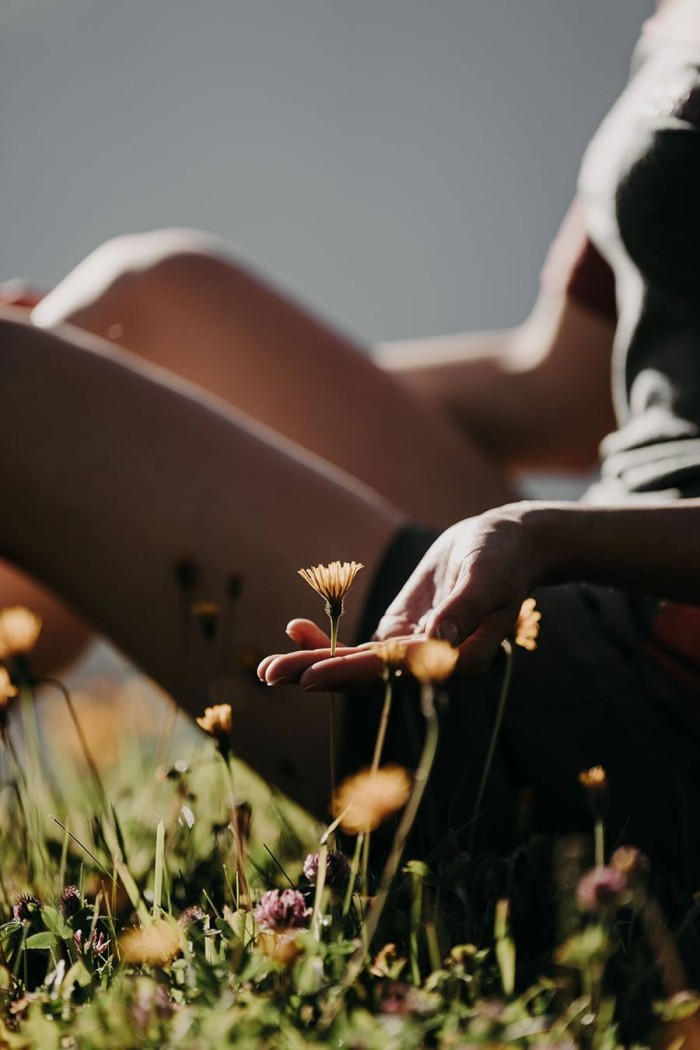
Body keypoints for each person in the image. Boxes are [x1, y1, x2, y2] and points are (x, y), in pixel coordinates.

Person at [1, 0, 699, 874]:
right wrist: (174, 407)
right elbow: (565, 387)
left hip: (652, 704)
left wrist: (552, 536)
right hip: (594, 572)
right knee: (141, 307)